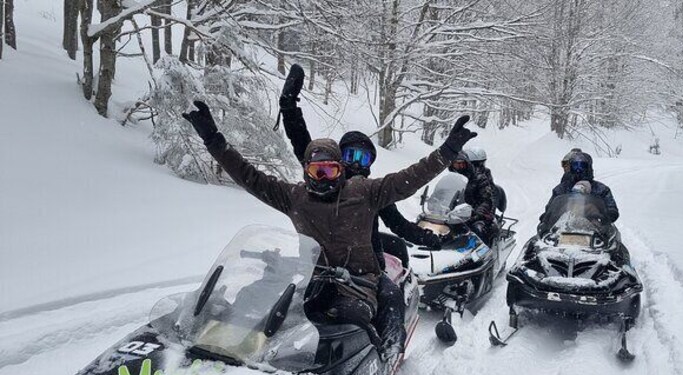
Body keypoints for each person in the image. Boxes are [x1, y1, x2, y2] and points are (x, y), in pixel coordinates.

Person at [182, 101, 476, 358]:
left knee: (351, 320)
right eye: (316, 171)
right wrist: (213, 139)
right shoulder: (294, 197)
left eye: (331, 171)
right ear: (306, 170)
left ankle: (386, 351)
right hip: (310, 277)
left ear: (341, 170)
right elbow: (249, 176)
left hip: (359, 284)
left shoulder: (363, 192)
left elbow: (411, 176)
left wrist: (448, 151)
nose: (324, 178)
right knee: (262, 305)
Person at [277, 64, 445, 357]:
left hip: (365, 269)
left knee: (391, 297)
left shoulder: (371, 194)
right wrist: (289, 105)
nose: (356, 163)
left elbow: (399, 225)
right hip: (317, 264)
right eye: (350, 155)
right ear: (337, 160)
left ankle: (389, 351)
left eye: (363, 157)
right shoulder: (321, 181)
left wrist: (428, 238)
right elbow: (299, 140)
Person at [537, 149, 630, 263]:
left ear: (589, 167)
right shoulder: (561, 189)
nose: (578, 170)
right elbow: (550, 209)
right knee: (536, 244)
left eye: (582, 166)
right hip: (564, 228)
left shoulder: (601, 189)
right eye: (575, 166)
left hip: (595, 230)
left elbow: (612, 209)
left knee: (617, 248)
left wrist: (604, 214)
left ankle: (621, 268)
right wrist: (547, 217)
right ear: (570, 167)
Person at [447, 147, 500, 245]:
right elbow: (443, 193)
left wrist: (478, 212)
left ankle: (487, 255)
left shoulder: (480, 178)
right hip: (453, 214)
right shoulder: (451, 178)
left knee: (477, 229)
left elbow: (487, 199)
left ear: (467, 163)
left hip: (473, 215)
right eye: (456, 163)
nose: (459, 166)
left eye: (461, 163)